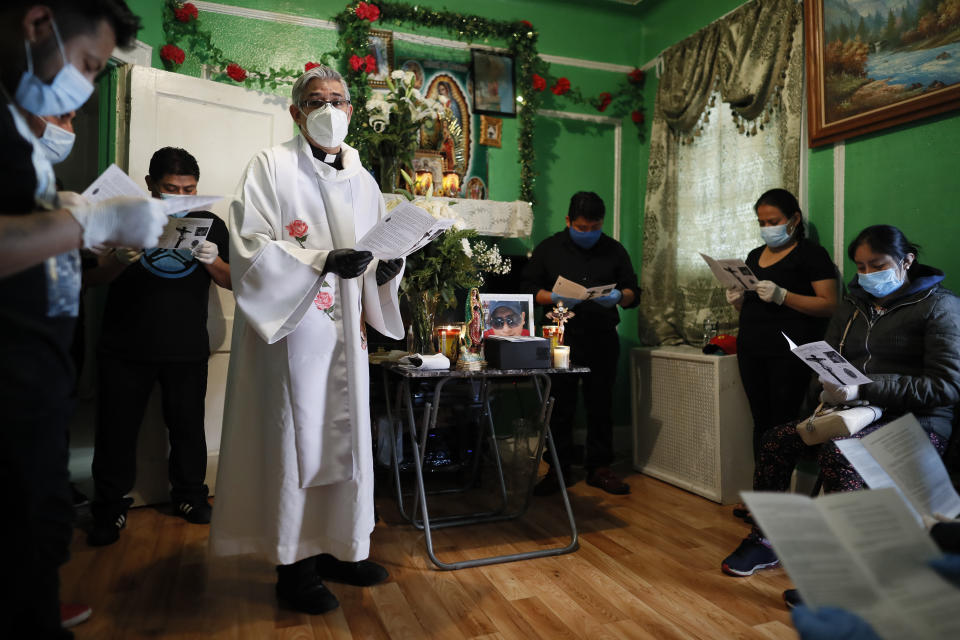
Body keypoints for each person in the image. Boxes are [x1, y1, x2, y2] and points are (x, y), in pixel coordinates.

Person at [209, 64, 405, 615]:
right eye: (315, 99)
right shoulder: (270, 167)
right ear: (296, 112)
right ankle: (294, 565)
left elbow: (372, 254)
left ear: (350, 111)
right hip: (294, 339)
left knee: (348, 446)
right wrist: (320, 261)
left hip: (348, 337)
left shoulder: (363, 181)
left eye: (338, 99)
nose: (328, 108)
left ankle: (342, 548)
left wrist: (383, 277)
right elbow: (250, 250)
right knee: (294, 444)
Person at [0, 2, 164, 637]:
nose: (87, 86)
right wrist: (85, 221)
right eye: (89, 64)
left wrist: (62, 224)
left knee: (38, 546)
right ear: (38, 23)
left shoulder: (19, 131)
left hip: (37, 382)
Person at [721, 225, 960, 577]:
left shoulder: (940, 306)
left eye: (877, 265)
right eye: (860, 267)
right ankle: (765, 539)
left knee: (842, 451)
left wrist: (864, 387)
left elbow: (944, 386)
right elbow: (829, 357)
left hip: (917, 422)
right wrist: (820, 397)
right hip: (851, 413)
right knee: (777, 439)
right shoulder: (853, 306)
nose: (867, 275)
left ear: (907, 260)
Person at [85, 147, 231, 546]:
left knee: (188, 430)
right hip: (123, 347)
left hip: (185, 348)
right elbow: (91, 279)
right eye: (171, 188)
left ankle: (189, 496)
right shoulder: (120, 218)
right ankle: (109, 508)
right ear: (150, 185)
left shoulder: (212, 224)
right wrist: (117, 259)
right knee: (116, 432)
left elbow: (232, 281)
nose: (181, 196)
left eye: (189, 189)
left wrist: (212, 261)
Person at [726, 189, 837, 521]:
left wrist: (784, 295)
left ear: (794, 220)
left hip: (791, 351)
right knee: (761, 420)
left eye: (773, 221)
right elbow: (752, 303)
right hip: (752, 347)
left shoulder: (811, 254)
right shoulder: (754, 254)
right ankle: (763, 493)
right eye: (761, 222)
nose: (766, 227)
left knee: (783, 422)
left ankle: (778, 501)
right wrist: (738, 300)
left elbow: (828, 304)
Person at [521, 191, 640, 495]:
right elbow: (529, 288)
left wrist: (618, 297)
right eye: (581, 228)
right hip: (561, 337)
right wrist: (555, 297)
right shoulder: (549, 249)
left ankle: (600, 467)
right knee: (558, 404)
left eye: (595, 228)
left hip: (602, 335)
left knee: (601, 403)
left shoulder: (613, 250)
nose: (588, 233)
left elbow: (633, 293)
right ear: (568, 221)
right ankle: (557, 469)